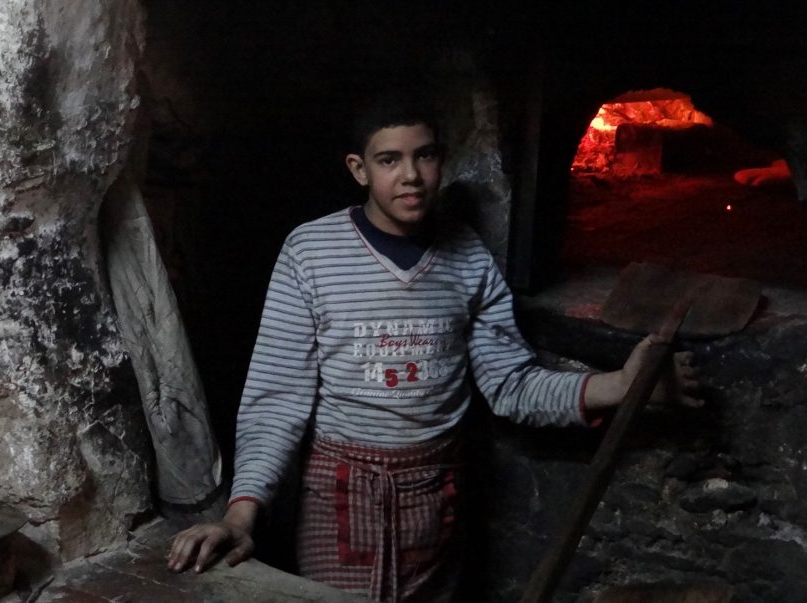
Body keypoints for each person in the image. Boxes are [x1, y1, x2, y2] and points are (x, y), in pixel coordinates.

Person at [167, 96, 700, 601]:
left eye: (424, 155)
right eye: (388, 159)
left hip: (434, 495)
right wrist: (241, 514)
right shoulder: (311, 252)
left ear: (442, 159)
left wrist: (623, 385)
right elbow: (276, 396)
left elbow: (511, 384)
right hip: (340, 497)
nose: (410, 176)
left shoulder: (467, 257)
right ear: (359, 169)